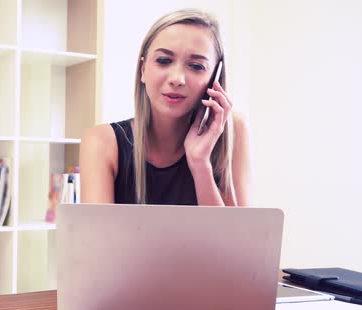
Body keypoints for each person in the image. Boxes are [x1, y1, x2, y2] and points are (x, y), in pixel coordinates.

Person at [80, 9, 251, 206]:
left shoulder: (233, 131)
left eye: (196, 66)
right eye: (163, 61)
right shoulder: (102, 142)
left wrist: (200, 164)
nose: (177, 79)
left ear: (214, 79)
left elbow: (234, 236)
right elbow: (97, 236)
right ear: (143, 69)